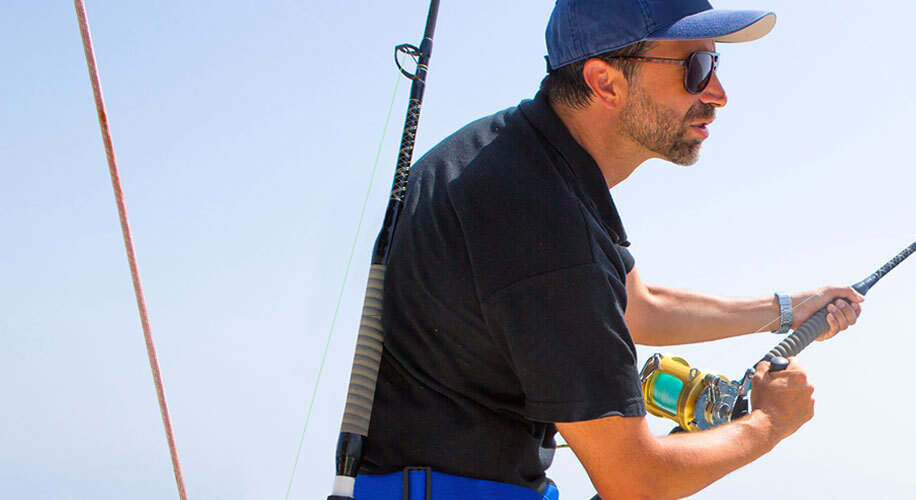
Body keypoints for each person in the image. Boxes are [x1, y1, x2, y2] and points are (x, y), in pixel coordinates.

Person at [353, 1, 865, 499]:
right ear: (605, 82)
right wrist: (768, 424)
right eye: (696, 67)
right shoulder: (541, 219)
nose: (718, 93)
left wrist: (790, 310)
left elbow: (639, 307)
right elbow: (635, 481)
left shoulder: (520, 158)